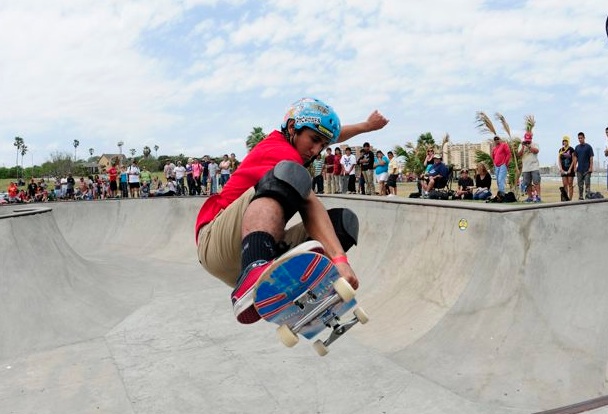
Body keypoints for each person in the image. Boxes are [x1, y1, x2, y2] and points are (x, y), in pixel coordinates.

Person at [195, 97, 388, 324]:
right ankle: (254, 270)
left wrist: (366, 126)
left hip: (252, 250)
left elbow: (332, 134)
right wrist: (339, 259)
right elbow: (310, 204)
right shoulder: (276, 147)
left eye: (323, 145)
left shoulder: (301, 141)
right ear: (291, 128)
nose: (316, 151)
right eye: (314, 141)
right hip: (216, 241)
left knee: (343, 224)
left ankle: (299, 299)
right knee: (292, 174)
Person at [517, 131, 541, 202]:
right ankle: (530, 197)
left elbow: (536, 151)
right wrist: (523, 146)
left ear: (531, 139)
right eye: (526, 141)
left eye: (528, 141)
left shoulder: (535, 144)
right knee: (527, 183)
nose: (527, 142)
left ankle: (538, 197)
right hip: (525, 167)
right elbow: (519, 155)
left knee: (536, 182)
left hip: (534, 166)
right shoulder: (521, 145)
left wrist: (529, 146)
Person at [573, 131, 594, 200]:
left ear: (584, 138)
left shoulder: (588, 147)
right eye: (579, 138)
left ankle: (587, 196)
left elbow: (591, 157)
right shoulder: (577, 147)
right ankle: (581, 197)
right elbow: (575, 158)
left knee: (587, 183)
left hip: (587, 170)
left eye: (581, 138)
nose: (580, 139)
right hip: (579, 170)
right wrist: (574, 167)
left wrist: (591, 167)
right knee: (580, 185)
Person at [557, 136, 575, 201]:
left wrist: (570, 169)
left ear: (568, 141)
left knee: (570, 184)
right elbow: (559, 160)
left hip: (570, 169)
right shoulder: (560, 150)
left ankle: (570, 199)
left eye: (566, 141)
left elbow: (573, 160)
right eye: (564, 141)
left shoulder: (571, 149)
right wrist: (561, 168)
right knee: (565, 184)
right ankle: (566, 198)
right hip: (563, 169)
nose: (564, 142)